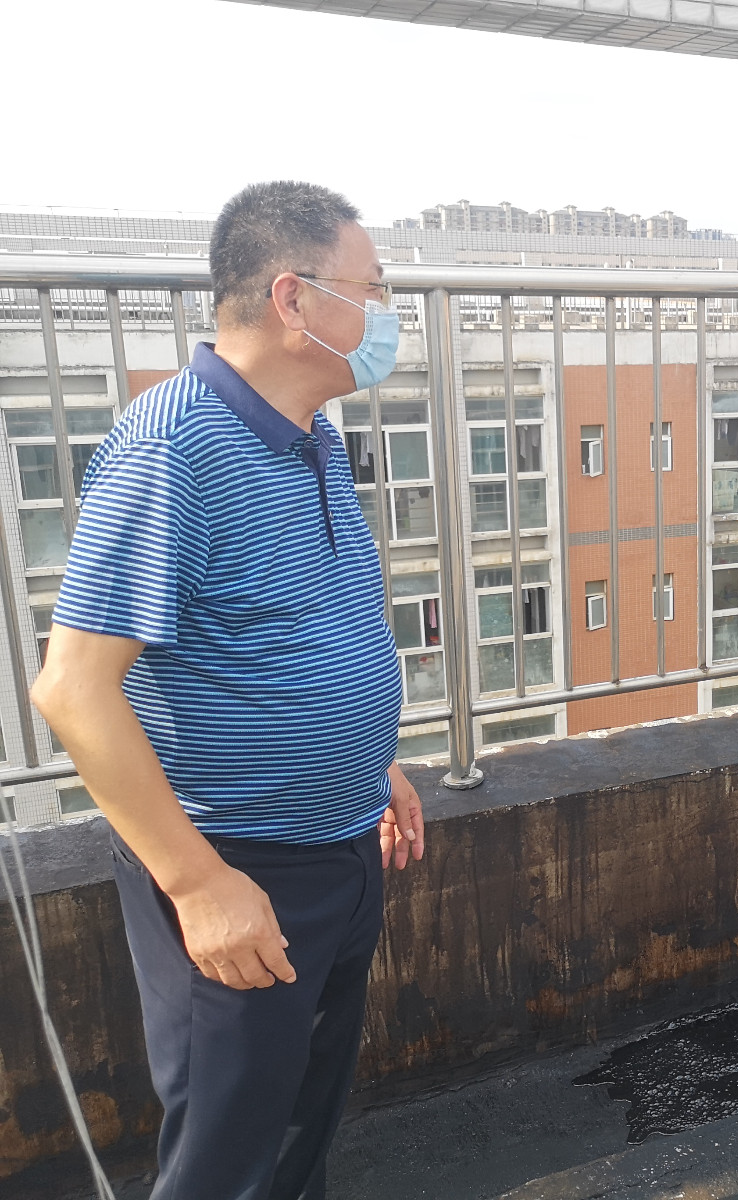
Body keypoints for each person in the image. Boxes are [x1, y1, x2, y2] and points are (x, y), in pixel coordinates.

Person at [31, 180, 423, 1199]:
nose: (388, 313)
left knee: (296, 1137)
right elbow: (73, 689)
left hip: (340, 847)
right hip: (240, 864)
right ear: (295, 300)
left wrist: (368, 763)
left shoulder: (309, 433)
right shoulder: (173, 448)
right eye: (373, 289)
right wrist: (200, 886)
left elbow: (294, 622)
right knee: (226, 1164)